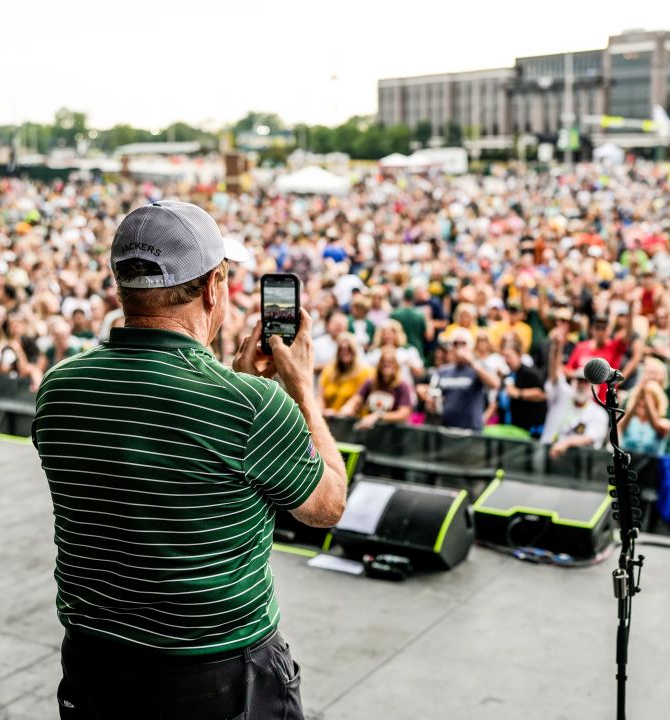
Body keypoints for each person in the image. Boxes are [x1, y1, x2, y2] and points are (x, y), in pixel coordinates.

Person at [32, 199, 347, 719]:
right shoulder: (253, 406)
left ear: (122, 287)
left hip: (94, 663)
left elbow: (150, 444)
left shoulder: (59, 386)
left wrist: (233, 377)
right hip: (216, 673)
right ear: (212, 287)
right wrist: (302, 394)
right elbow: (327, 506)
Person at [541, 355, 610, 459]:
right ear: (572, 382)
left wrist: (566, 442)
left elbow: (591, 437)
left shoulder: (599, 413)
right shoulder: (562, 397)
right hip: (546, 454)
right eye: (579, 381)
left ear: (595, 388)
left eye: (586, 382)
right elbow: (554, 375)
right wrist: (557, 346)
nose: (581, 385)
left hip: (577, 464)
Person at [433, 327, 501, 431]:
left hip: (471, 431)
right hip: (447, 429)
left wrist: (472, 363)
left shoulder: (479, 367)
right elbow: (434, 395)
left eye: (463, 343)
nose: (459, 347)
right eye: (455, 344)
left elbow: (495, 384)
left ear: (470, 346)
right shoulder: (443, 371)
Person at [341, 347, 414, 430]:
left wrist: (378, 416)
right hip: (372, 431)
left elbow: (404, 413)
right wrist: (348, 408)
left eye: (390, 362)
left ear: (396, 366)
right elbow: (356, 400)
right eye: (383, 361)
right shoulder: (371, 383)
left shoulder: (402, 386)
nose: (386, 365)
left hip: (394, 433)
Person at [618, 361, 670, 457]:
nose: (643, 404)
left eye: (648, 401)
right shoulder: (628, 421)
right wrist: (638, 394)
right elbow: (621, 426)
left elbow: (656, 425)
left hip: (651, 470)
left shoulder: (664, 423)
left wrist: (647, 395)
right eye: (641, 400)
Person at [497, 342, 547, 438]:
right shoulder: (508, 375)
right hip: (510, 427)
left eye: (510, 356)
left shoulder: (530, 372)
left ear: (519, 355)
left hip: (530, 429)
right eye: (505, 357)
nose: (508, 360)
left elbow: (542, 394)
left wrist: (519, 393)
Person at [318, 332, 372, 415]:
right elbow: (321, 397)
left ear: (354, 350)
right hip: (328, 417)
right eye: (341, 349)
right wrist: (321, 411)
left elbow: (357, 400)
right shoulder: (329, 370)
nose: (344, 352)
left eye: (348, 348)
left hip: (352, 420)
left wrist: (337, 414)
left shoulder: (365, 372)